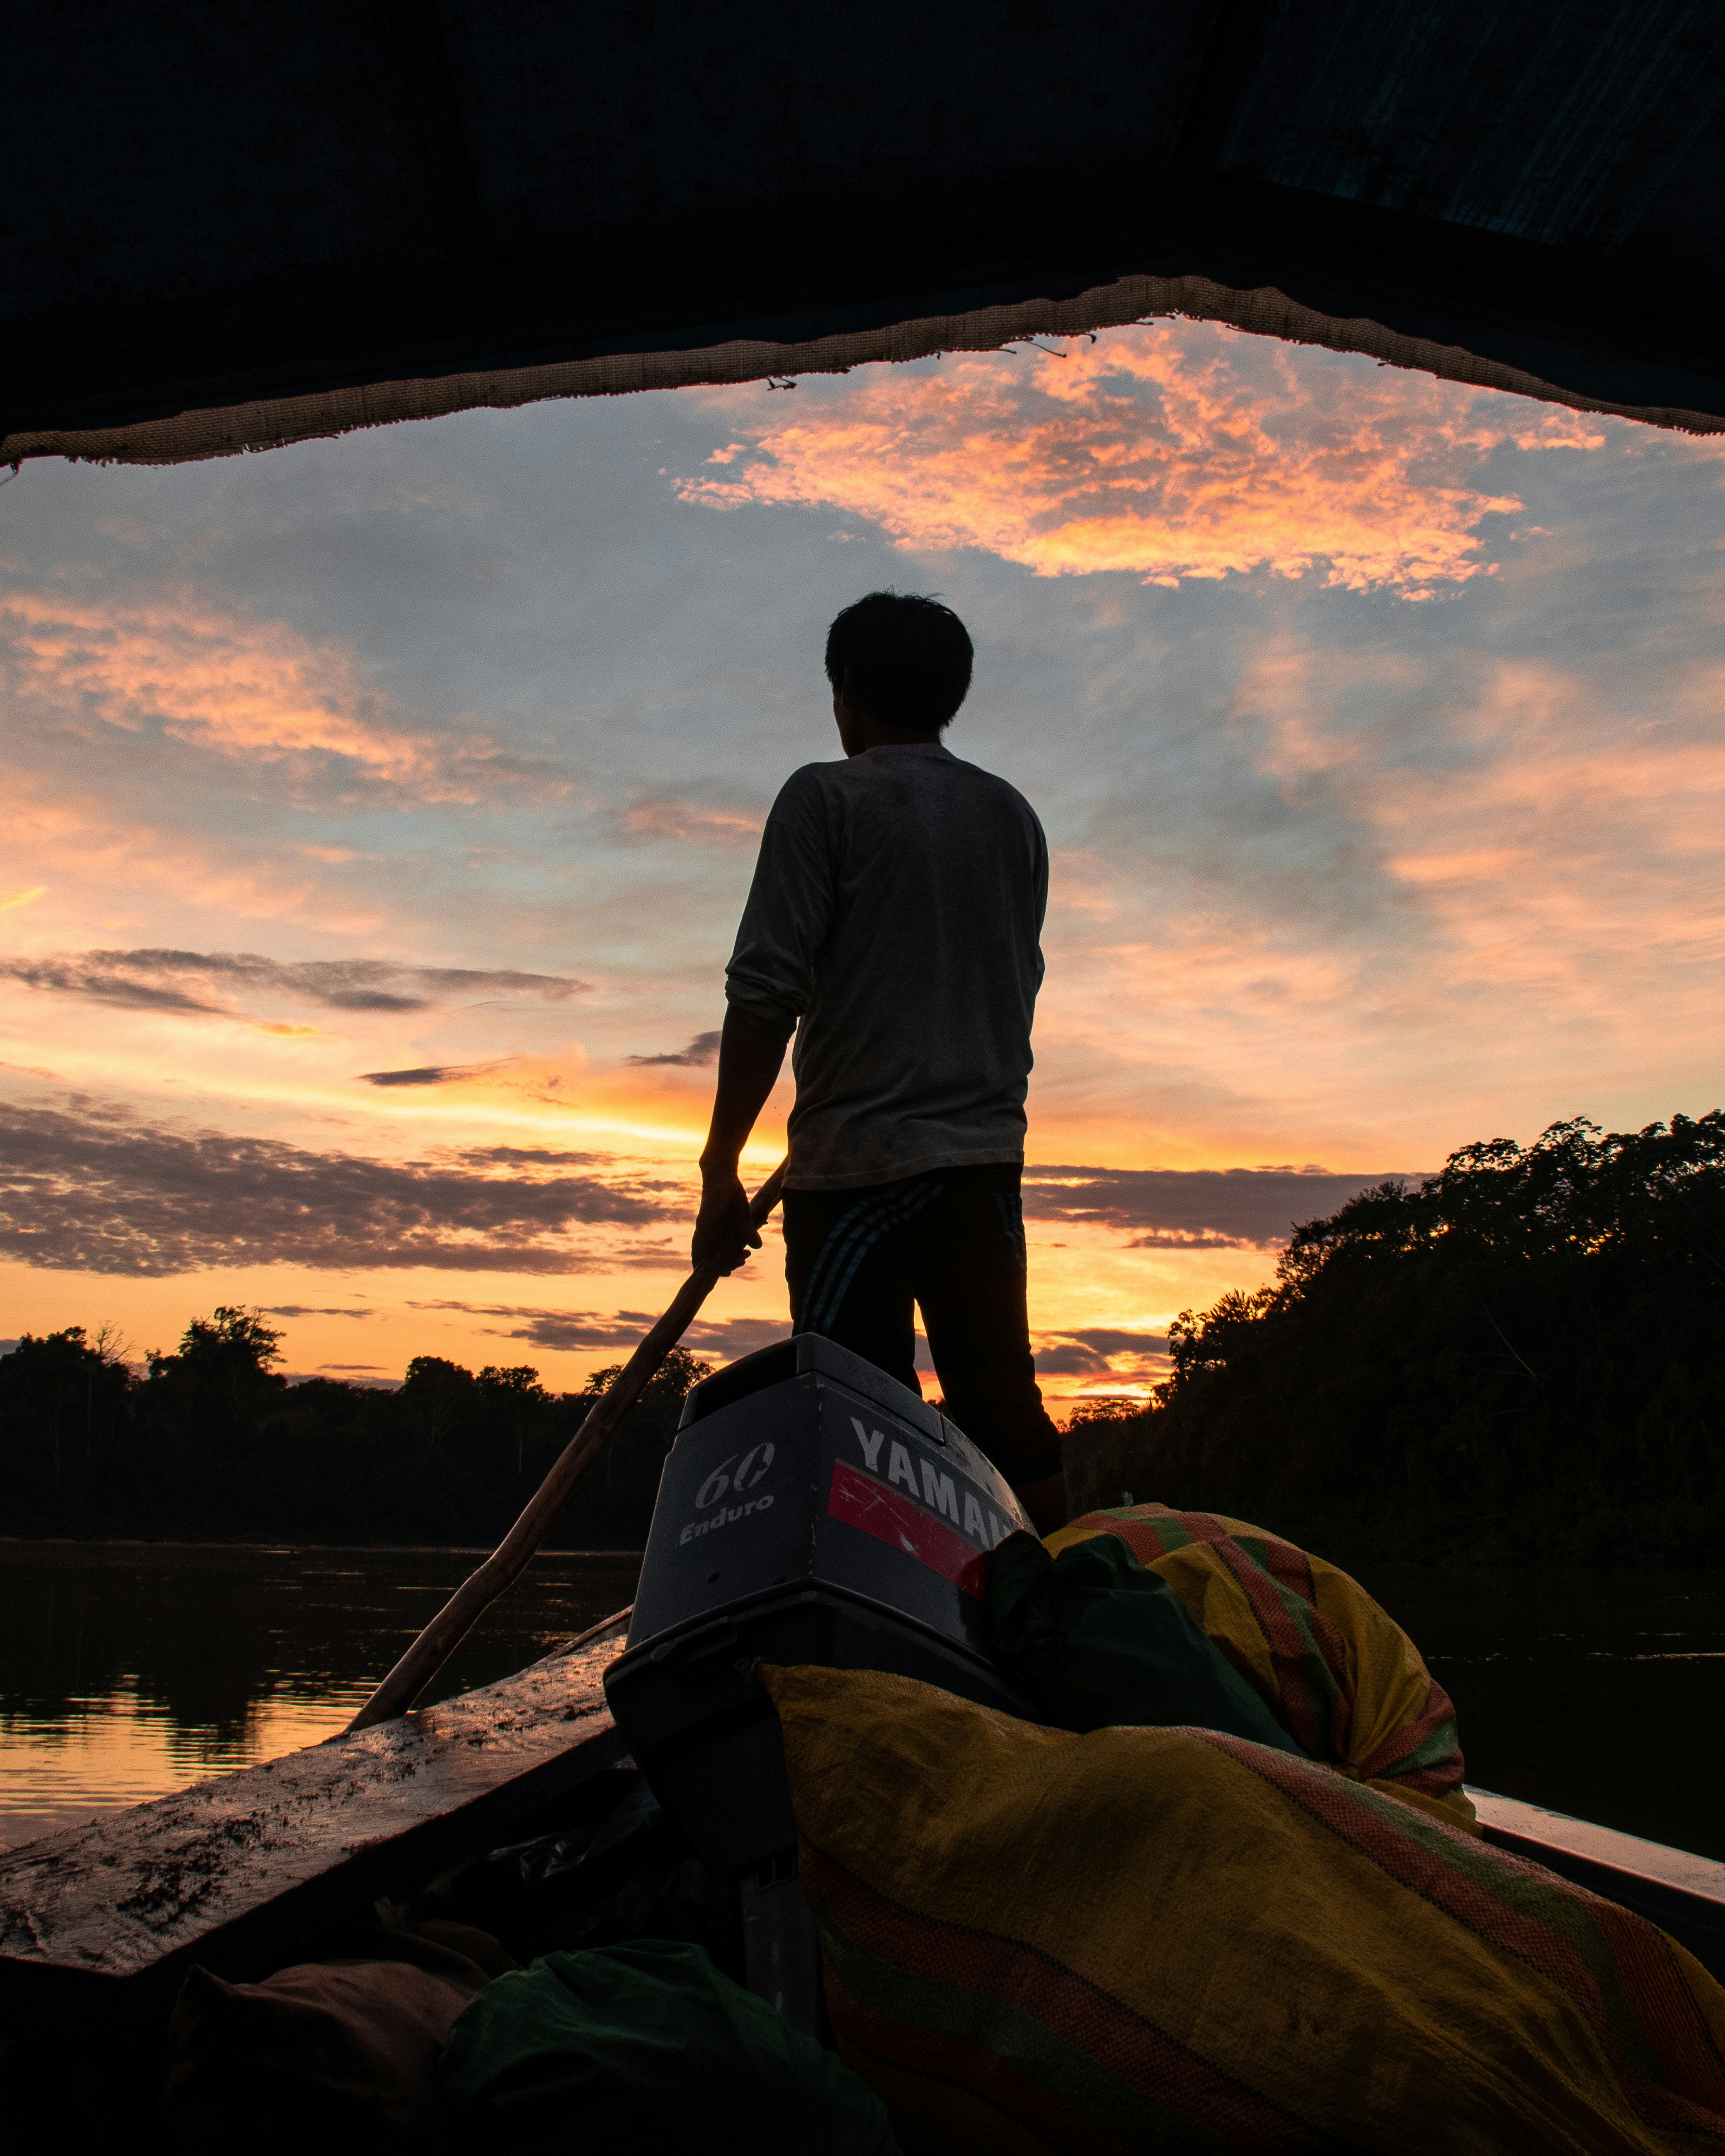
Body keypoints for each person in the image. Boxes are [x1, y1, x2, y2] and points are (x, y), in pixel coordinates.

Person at [692, 591, 1067, 1532]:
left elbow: (763, 993)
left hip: (853, 1169)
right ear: (952, 696)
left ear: (847, 691)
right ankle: (1054, 1583)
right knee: (1001, 1410)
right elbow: (1010, 982)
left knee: (853, 1414)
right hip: (980, 1168)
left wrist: (718, 1170)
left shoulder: (824, 795)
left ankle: (870, 1616)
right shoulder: (1010, 814)